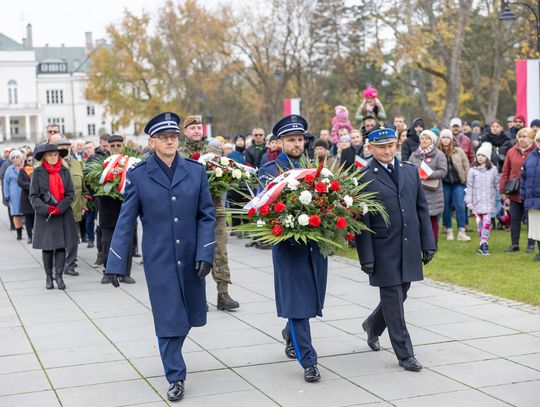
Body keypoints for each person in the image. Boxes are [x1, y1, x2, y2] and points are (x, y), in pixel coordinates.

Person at [104, 112, 216, 401]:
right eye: (164, 137)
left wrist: (206, 252)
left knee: (190, 315)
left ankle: (172, 356)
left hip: (192, 257)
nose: (171, 141)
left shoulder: (196, 171)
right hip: (160, 259)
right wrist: (115, 263)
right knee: (167, 318)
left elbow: (206, 215)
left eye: (174, 136)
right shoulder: (139, 175)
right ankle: (175, 376)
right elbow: (126, 221)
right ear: (151, 142)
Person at [355, 127, 436, 372]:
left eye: (391, 145)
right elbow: (362, 222)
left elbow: (421, 209)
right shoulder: (363, 178)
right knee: (393, 300)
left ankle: (372, 324)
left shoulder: (409, 172)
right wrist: (366, 257)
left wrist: (428, 242)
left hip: (409, 246)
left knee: (401, 293)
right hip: (382, 249)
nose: (387, 150)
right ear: (370, 148)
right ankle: (405, 353)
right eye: (381, 147)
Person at [258, 114, 328, 383]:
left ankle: (290, 332)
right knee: (298, 305)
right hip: (289, 249)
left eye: (300, 139)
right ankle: (309, 361)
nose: (297, 144)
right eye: (291, 140)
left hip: (316, 248)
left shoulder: (317, 170)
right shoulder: (270, 170)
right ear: (280, 142)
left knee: (311, 300)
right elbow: (263, 211)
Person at [179, 115, 239, 310]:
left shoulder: (214, 149)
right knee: (194, 254)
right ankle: (198, 298)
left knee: (220, 251)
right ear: (185, 131)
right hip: (190, 213)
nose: (196, 131)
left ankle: (223, 294)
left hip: (215, 210)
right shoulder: (179, 153)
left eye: (199, 127)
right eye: (192, 128)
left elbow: (225, 173)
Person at [30, 144, 78, 290]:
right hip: (46, 217)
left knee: (62, 247)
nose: (53, 157)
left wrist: (59, 207)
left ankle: (59, 277)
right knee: (48, 248)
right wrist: (47, 208)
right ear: (44, 157)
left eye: (55, 155)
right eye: (50, 155)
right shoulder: (37, 172)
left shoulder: (65, 171)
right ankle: (49, 277)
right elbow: (33, 196)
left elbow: (70, 194)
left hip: (63, 214)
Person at [500, 128, 536, 253]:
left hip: (531, 191)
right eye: (519, 136)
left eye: (525, 136)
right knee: (515, 219)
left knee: (531, 219)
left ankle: (531, 245)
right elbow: (505, 171)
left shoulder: (536, 152)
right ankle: (514, 244)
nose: (521, 139)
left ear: (532, 138)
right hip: (514, 191)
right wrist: (503, 191)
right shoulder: (511, 152)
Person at [56, 138, 88, 276]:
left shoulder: (76, 164)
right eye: (61, 147)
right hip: (58, 210)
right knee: (59, 240)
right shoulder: (53, 164)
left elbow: (84, 188)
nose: (65, 149)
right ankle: (58, 265)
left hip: (75, 209)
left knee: (74, 240)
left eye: (67, 147)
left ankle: (70, 265)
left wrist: (83, 205)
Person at [409, 130, 448, 245]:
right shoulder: (414, 155)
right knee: (418, 219)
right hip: (417, 192)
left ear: (432, 141)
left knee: (432, 220)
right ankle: (420, 243)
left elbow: (443, 172)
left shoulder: (439, 155)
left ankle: (432, 244)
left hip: (433, 192)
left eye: (427, 138)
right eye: (422, 138)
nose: (424, 140)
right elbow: (409, 169)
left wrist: (427, 174)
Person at [464, 143, 499, 256]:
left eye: (483, 155)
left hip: (488, 201)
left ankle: (484, 243)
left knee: (487, 222)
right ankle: (483, 243)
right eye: (478, 155)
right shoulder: (473, 170)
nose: (480, 157)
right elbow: (469, 186)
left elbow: (496, 184)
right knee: (480, 224)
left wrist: (503, 194)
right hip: (476, 202)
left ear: (487, 157)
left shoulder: (493, 169)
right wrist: (469, 201)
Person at [438, 129, 470, 241]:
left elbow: (466, 166)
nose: (446, 140)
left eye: (448, 137)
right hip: (444, 184)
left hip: (458, 183)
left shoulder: (459, 151)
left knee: (460, 206)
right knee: (445, 207)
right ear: (440, 139)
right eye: (443, 137)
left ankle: (462, 230)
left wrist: (466, 180)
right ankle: (449, 230)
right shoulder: (437, 152)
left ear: (451, 139)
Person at [520, 130, 540, 261]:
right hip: (532, 199)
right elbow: (523, 178)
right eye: (538, 140)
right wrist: (523, 196)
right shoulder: (531, 156)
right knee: (537, 228)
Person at [3, 149, 25, 240]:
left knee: (28, 214)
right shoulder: (9, 169)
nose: (15, 159)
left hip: (26, 194)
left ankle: (30, 233)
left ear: (21, 158)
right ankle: (19, 233)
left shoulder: (26, 167)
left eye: (17, 157)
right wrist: (7, 195)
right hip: (14, 195)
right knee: (16, 214)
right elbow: (6, 183)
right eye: (13, 158)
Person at [17, 151, 35, 244]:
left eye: (32, 159)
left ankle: (36, 235)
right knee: (28, 219)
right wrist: (31, 186)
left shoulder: (37, 169)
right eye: (29, 160)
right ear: (26, 160)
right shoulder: (22, 170)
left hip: (36, 198)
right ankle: (30, 237)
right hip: (26, 198)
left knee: (36, 219)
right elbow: (20, 182)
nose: (31, 161)